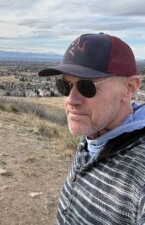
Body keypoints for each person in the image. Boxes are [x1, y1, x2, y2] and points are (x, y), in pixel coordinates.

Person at [38, 33, 145, 225]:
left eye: (87, 86)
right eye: (65, 85)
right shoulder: (96, 133)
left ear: (129, 88)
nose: (71, 99)